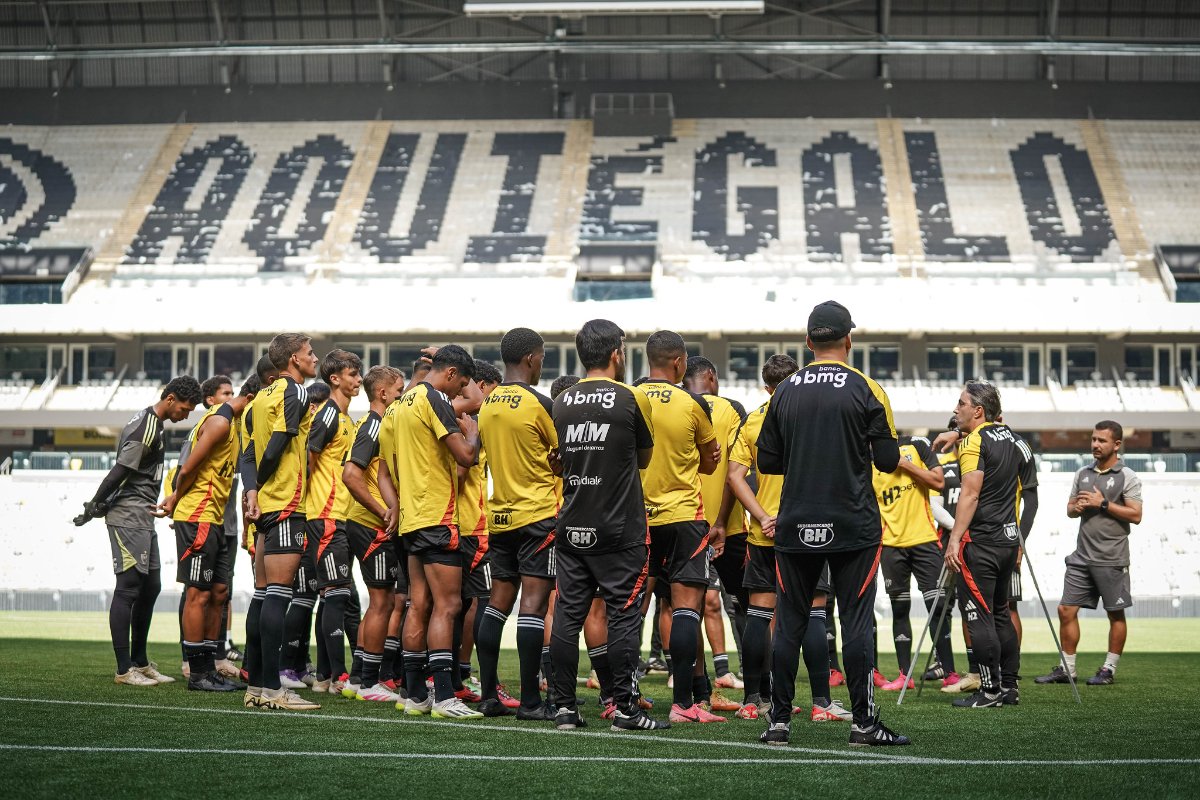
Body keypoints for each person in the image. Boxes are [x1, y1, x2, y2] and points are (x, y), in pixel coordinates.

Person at [756, 300, 909, 747]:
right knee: (856, 622)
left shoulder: (785, 390)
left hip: (796, 520)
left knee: (789, 622)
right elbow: (886, 458)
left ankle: (779, 723)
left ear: (808, 342)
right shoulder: (866, 388)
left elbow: (767, 460)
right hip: (852, 522)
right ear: (848, 339)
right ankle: (863, 724)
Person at [550, 319, 668, 732]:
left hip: (572, 524)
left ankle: (563, 708)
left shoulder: (561, 401)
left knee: (567, 616)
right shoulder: (631, 399)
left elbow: (559, 460)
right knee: (623, 617)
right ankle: (625, 710)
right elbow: (643, 459)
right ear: (617, 353)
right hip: (620, 529)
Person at [74, 375, 201, 686]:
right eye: (185, 408)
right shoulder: (146, 424)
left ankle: (140, 662)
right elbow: (120, 470)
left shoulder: (155, 424)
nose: (186, 415)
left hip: (143, 514)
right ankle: (123, 670)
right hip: (128, 514)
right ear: (170, 398)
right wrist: (94, 505)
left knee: (151, 586)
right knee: (129, 587)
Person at [384, 344, 483, 719]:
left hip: (410, 517)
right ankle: (444, 695)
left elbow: (385, 468)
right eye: (460, 386)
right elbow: (465, 456)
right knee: (448, 605)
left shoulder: (399, 406)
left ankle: (414, 694)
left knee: (418, 603)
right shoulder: (435, 398)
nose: (461, 395)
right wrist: (471, 434)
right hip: (438, 515)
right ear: (452, 374)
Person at [637, 331, 723, 725]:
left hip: (638, 519)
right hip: (685, 516)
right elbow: (709, 464)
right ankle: (684, 704)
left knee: (629, 609)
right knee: (686, 607)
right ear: (679, 363)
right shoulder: (692, 404)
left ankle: (622, 697)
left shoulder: (630, 397)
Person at [475, 328, 561, 720]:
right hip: (537, 515)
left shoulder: (488, 404)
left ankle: (490, 695)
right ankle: (530, 701)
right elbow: (563, 457)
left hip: (500, 516)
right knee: (533, 606)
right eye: (542, 357)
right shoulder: (539, 404)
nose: (542, 364)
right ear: (530, 359)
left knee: (497, 603)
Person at [942, 381, 1038, 708]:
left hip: (981, 542)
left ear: (978, 410)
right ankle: (1009, 688)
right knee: (1001, 613)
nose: (956, 410)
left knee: (979, 616)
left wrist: (954, 539)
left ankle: (989, 692)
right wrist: (956, 433)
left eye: (961, 404)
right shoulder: (1017, 440)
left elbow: (969, 493)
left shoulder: (974, 442)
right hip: (1009, 542)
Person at [156, 374, 253, 692]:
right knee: (198, 594)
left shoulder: (236, 425)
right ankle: (197, 673)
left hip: (215, 520)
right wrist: (174, 498)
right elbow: (188, 466)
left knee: (218, 593)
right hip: (197, 516)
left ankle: (210, 666)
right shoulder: (219, 421)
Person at [244, 332, 321, 711]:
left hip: (265, 507)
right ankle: (275, 689)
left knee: (262, 594)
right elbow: (278, 443)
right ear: (293, 358)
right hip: (288, 503)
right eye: (310, 353)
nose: (315, 359)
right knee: (278, 593)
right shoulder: (298, 393)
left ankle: (257, 686)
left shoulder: (259, 398)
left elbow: (246, 453)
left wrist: (252, 490)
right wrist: (260, 484)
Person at [1037, 420, 1142, 687]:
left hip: (1112, 558)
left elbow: (1136, 515)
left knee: (1115, 614)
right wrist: (1079, 507)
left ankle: (1108, 669)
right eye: (1094, 439)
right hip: (1081, 557)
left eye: (1102, 441)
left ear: (1116, 444)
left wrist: (1103, 503)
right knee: (1065, 610)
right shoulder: (1082, 473)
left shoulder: (1127, 476)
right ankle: (1067, 669)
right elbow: (1070, 509)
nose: (1095, 444)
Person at [683, 356, 749, 706]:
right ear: (711, 376)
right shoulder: (731, 409)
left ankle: (695, 695)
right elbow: (734, 471)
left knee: (682, 608)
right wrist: (723, 521)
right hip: (730, 527)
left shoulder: (676, 406)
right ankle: (759, 692)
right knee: (753, 606)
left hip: (682, 523)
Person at [872, 435, 955, 690]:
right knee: (899, 610)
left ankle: (949, 672)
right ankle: (904, 675)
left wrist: (904, 465)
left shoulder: (916, 446)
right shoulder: (868, 461)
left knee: (937, 607)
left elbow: (938, 482)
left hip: (925, 541)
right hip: (890, 546)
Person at [343, 365, 406, 701]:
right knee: (382, 602)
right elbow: (351, 475)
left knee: (378, 602)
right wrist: (383, 511)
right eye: (398, 390)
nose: (402, 394)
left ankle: (358, 678)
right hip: (370, 526)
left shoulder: (375, 424)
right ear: (383, 394)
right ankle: (370, 683)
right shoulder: (374, 426)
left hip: (367, 524)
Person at [456, 360, 502, 706]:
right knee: (481, 602)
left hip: (462, 521)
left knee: (456, 604)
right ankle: (477, 679)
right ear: (481, 386)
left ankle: (456, 673)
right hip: (468, 524)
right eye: (493, 393)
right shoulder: (465, 419)